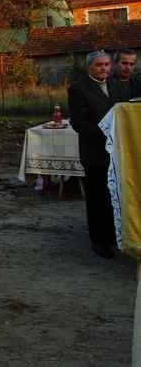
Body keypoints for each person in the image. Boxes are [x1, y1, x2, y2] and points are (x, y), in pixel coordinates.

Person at [68, 50, 118, 258]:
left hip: (116, 151)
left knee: (113, 195)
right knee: (97, 197)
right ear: (89, 67)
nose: (104, 68)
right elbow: (79, 123)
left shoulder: (116, 85)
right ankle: (98, 241)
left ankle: (114, 235)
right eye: (99, 65)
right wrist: (106, 132)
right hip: (95, 151)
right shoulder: (78, 88)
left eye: (107, 64)